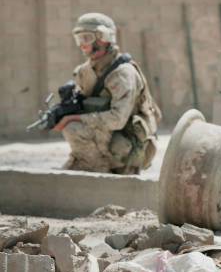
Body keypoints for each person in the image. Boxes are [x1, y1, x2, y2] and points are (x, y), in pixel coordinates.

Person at [53, 12, 161, 174]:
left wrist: (73, 117)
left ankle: (101, 170)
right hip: (103, 132)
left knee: (73, 127)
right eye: (79, 39)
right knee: (71, 125)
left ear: (103, 38)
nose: (82, 45)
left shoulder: (122, 74)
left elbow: (117, 120)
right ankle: (87, 161)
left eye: (86, 38)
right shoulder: (84, 71)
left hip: (127, 139)